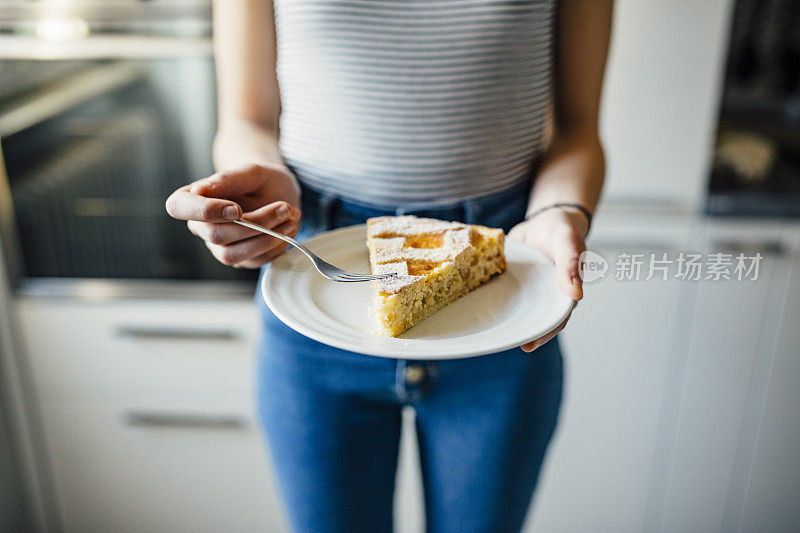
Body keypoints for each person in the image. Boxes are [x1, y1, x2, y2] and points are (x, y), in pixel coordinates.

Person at [166, 1, 611, 531]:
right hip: (317, 291)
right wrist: (257, 179)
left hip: (505, 285)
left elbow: (578, 130)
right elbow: (246, 119)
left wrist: (559, 211)